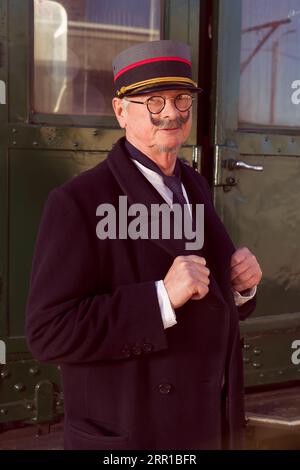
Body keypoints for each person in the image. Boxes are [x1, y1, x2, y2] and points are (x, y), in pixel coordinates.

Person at [26, 40, 262, 450]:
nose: (171, 113)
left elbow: (207, 293)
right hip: (133, 436)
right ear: (121, 111)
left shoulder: (194, 185)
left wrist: (241, 287)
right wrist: (160, 299)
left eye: (181, 99)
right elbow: (49, 333)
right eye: (153, 101)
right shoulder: (78, 202)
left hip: (205, 423)